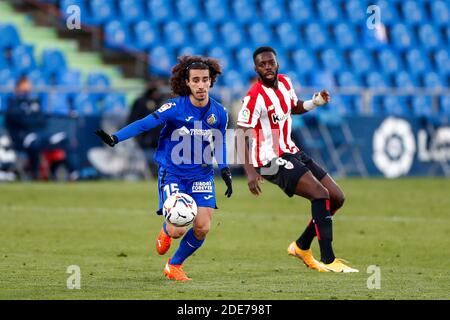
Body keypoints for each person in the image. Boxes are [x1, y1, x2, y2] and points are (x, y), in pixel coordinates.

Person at [95, 55, 233, 281]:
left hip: (201, 174)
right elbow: (145, 123)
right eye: (195, 80)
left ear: (211, 82)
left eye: (204, 80)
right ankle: (167, 230)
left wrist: (225, 169)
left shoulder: (220, 112)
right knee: (178, 229)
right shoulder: (175, 107)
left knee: (203, 227)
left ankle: (174, 265)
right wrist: (115, 138)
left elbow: (219, 141)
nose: (200, 85)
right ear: (187, 82)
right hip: (173, 173)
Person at [236, 46, 358, 273]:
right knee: (320, 194)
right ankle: (329, 260)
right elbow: (241, 132)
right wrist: (250, 171)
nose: (267, 67)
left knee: (336, 198)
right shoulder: (254, 97)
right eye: (262, 65)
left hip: (290, 150)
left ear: (277, 63)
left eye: (270, 62)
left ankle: (301, 246)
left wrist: (315, 102)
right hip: (268, 159)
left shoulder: (285, 82)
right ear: (256, 69)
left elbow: (294, 107)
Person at [5, 76, 78, 180]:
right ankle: (35, 174)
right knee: (35, 142)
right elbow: (21, 121)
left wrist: (30, 118)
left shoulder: (34, 102)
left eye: (28, 87)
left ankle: (73, 173)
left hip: (41, 134)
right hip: (25, 138)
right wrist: (30, 118)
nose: (27, 90)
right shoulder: (13, 104)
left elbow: (41, 121)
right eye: (24, 87)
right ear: (18, 88)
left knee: (65, 138)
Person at [127, 80, 165, 177]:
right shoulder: (141, 102)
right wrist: (140, 137)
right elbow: (133, 120)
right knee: (146, 163)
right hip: (145, 141)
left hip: (160, 141)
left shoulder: (162, 102)